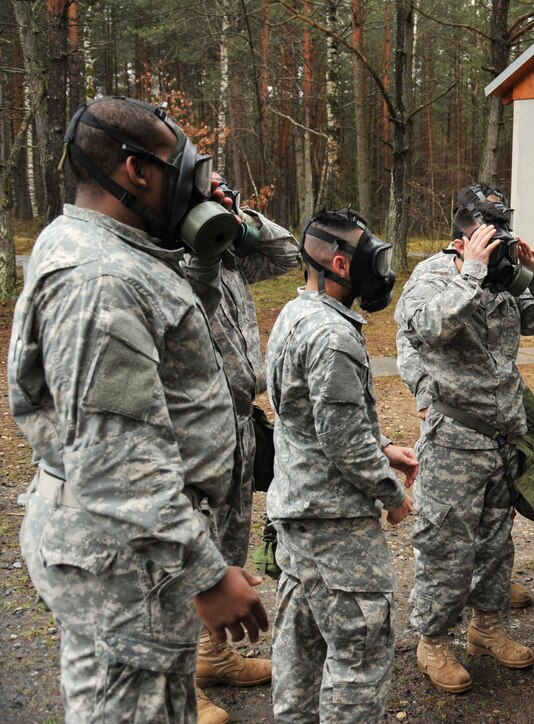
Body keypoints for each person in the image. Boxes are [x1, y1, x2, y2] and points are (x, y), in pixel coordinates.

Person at [10, 96, 268, 722]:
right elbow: (114, 462)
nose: (196, 181)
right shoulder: (100, 278)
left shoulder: (108, 249)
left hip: (134, 552)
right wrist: (205, 573)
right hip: (124, 560)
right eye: (184, 166)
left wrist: (208, 250)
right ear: (136, 170)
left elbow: (173, 339)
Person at [396, 200, 534, 693]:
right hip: (455, 438)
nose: (497, 255)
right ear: (461, 243)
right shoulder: (434, 282)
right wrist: (470, 272)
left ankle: (486, 627)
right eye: (486, 245)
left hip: (503, 436)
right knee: (446, 546)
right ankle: (432, 643)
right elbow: (426, 330)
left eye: (501, 245)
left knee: (496, 540)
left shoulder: (506, 283)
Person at [265, 208, 417, 721]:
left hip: (298, 516)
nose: (380, 268)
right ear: (338, 262)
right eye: (371, 257)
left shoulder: (293, 315)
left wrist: (384, 444)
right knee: (361, 654)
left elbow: (313, 414)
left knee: (300, 651)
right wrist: (392, 497)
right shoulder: (333, 336)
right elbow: (344, 441)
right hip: (338, 527)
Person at [183, 174, 299, 720]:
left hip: (237, 419)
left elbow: (287, 251)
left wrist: (234, 214)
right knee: (190, 548)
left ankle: (214, 654)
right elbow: (194, 285)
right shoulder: (168, 257)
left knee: (230, 537)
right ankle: (181, 687)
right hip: (192, 424)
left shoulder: (227, 254)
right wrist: (194, 224)